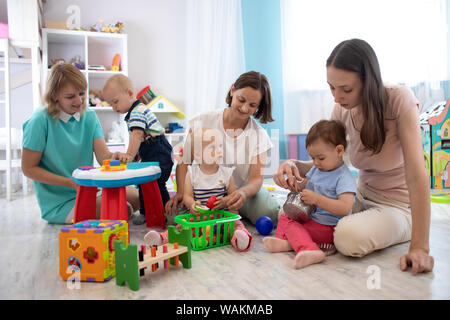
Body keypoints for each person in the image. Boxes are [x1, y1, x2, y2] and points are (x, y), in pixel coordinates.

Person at [273, 39, 434, 275]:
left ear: (368, 82)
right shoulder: (343, 109)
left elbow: (417, 175)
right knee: (286, 211)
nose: (337, 97)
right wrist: (291, 164)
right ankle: (307, 242)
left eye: (346, 89)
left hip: (398, 206)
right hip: (357, 197)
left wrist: (420, 246)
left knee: (347, 237)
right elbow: (325, 162)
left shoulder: (400, 100)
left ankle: (404, 229)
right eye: (331, 88)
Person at [22, 63, 139, 224]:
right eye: (70, 97)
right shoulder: (40, 120)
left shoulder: (89, 117)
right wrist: (70, 183)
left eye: (82, 93)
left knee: (137, 198)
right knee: (118, 209)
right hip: (60, 202)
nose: (79, 101)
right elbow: (28, 169)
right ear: (55, 95)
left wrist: (114, 157)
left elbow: (103, 156)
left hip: (88, 189)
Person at [164, 71, 281, 226]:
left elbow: (256, 179)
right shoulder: (203, 120)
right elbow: (185, 161)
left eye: (252, 105)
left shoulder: (259, 135)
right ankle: (225, 214)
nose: (245, 108)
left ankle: (233, 211)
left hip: (239, 193)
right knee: (173, 216)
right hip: (204, 193)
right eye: (241, 100)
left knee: (269, 214)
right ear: (232, 90)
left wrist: (242, 194)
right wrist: (181, 192)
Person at [264, 120, 356, 269]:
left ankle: (309, 249)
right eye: (313, 158)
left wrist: (317, 199)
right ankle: (285, 242)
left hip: (328, 226)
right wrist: (295, 186)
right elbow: (304, 185)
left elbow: (345, 208)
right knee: (286, 216)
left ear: (339, 151)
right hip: (313, 219)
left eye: (320, 158)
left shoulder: (344, 177)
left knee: (292, 224)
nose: (316, 163)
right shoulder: (317, 169)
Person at [145, 127, 252, 251]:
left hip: (223, 216)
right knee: (182, 227)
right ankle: (161, 238)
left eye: (221, 146)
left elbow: (233, 196)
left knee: (237, 225)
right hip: (201, 217)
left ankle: (241, 240)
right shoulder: (192, 174)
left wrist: (224, 201)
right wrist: (192, 205)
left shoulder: (226, 173)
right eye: (212, 147)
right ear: (197, 154)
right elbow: (187, 196)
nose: (219, 151)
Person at [102, 74, 174, 225]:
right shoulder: (136, 111)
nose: (114, 108)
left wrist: (129, 154)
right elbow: (138, 139)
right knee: (145, 183)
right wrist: (136, 156)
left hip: (159, 151)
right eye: (111, 104)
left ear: (129, 93)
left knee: (155, 183)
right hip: (152, 150)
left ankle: (164, 212)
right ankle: (147, 212)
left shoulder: (137, 111)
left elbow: (137, 134)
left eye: (115, 102)